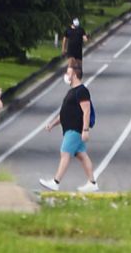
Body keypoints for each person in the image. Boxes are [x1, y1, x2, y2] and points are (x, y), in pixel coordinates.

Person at [40, 61, 98, 193]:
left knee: (65, 153)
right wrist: (52, 124)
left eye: (68, 73)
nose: (66, 75)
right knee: (82, 155)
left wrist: (85, 130)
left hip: (75, 129)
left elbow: (86, 111)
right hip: (69, 129)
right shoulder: (72, 92)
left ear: (75, 75)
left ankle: (56, 182)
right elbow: (64, 113)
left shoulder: (82, 91)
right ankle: (92, 183)